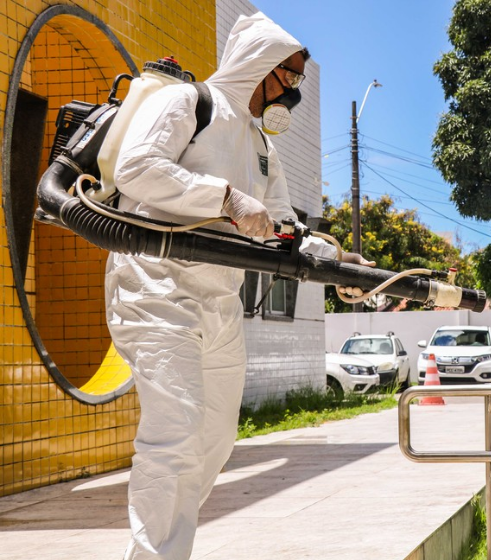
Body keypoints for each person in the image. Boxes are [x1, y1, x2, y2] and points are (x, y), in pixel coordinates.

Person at [104, 13, 371, 560]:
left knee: (216, 439)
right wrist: (223, 198)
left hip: (219, 301)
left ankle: (158, 549)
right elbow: (136, 168)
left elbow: (283, 230)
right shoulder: (187, 103)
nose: (293, 92)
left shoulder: (261, 146)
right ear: (260, 67)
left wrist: (341, 265)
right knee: (174, 437)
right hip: (154, 290)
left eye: (298, 81)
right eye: (289, 77)